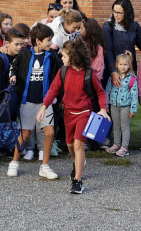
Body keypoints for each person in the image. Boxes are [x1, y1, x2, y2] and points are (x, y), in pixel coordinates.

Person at [37, 39, 109, 195]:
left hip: (84, 113)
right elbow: (53, 90)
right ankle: (77, 161)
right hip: (68, 113)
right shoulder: (63, 71)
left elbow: (101, 92)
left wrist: (103, 109)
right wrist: (44, 106)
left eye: (64, 55)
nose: (62, 58)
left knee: (78, 144)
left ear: (74, 56)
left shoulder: (89, 73)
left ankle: (77, 180)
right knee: (69, 144)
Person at [8, 23, 60, 179]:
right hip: (28, 101)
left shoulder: (52, 56)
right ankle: (14, 163)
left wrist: (57, 95)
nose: (50, 43)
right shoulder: (24, 54)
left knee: (49, 132)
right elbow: (13, 67)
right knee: (25, 133)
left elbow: (59, 75)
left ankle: (45, 166)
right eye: (48, 40)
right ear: (38, 41)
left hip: (46, 102)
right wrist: (13, 75)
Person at [102, 0, 141, 87]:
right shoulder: (108, 26)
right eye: (114, 11)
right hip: (113, 68)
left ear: (127, 13)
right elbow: (108, 50)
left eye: (119, 13)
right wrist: (113, 72)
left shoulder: (134, 26)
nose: (116, 15)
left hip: (129, 68)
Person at [105, 54, 139, 157]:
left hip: (125, 106)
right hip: (114, 105)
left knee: (124, 126)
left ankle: (124, 147)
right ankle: (116, 144)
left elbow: (134, 94)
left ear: (129, 65)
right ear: (116, 65)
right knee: (116, 126)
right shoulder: (113, 77)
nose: (123, 66)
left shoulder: (132, 79)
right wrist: (106, 104)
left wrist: (133, 109)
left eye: (125, 64)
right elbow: (107, 91)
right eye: (121, 64)